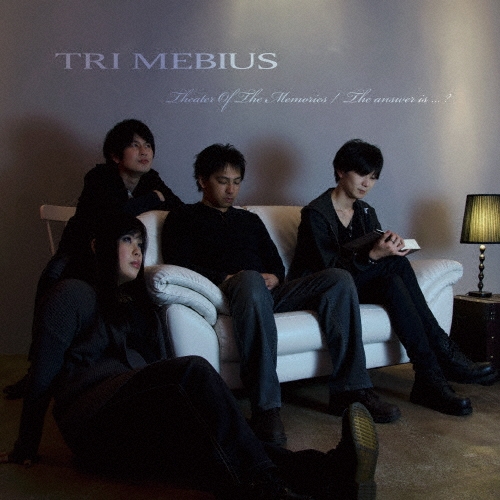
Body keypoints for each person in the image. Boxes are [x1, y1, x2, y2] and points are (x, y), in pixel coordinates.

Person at [1, 212, 381, 500]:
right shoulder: (72, 294)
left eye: (140, 242)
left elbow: (154, 370)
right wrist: (25, 446)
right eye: (127, 240)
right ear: (97, 246)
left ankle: (333, 471)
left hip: (134, 418)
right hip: (93, 424)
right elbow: (43, 373)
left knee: (222, 439)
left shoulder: (136, 304)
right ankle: (266, 489)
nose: (137, 250)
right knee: (194, 374)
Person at [161, 144, 401, 448]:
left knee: (338, 278)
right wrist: (225, 277)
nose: (231, 190)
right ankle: (266, 409)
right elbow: (179, 264)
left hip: (271, 293)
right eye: (223, 181)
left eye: (236, 182)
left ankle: (350, 391)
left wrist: (275, 276)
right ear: (202, 180)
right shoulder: (182, 217)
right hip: (229, 293)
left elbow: (275, 264)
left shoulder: (249, 220)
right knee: (249, 278)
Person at [288, 138, 498, 417]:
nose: (367, 183)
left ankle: (430, 378)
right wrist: (374, 256)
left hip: (356, 285)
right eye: (362, 174)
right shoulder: (315, 214)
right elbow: (329, 273)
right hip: (325, 292)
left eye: (374, 177)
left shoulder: (365, 212)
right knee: (392, 268)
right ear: (340, 171)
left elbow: (372, 262)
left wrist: (389, 249)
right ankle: (443, 358)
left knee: (393, 276)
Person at [3, 119, 183, 400]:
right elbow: (111, 219)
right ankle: (38, 369)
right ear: (115, 155)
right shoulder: (99, 178)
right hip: (81, 253)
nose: (144, 151)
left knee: (143, 294)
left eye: (148, 145)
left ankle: (145, 366)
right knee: (53, 279)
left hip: (119, 260)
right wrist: (152, 199)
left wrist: (153, 197)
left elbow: (178, 209)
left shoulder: (151, 179)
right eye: (134, 145)